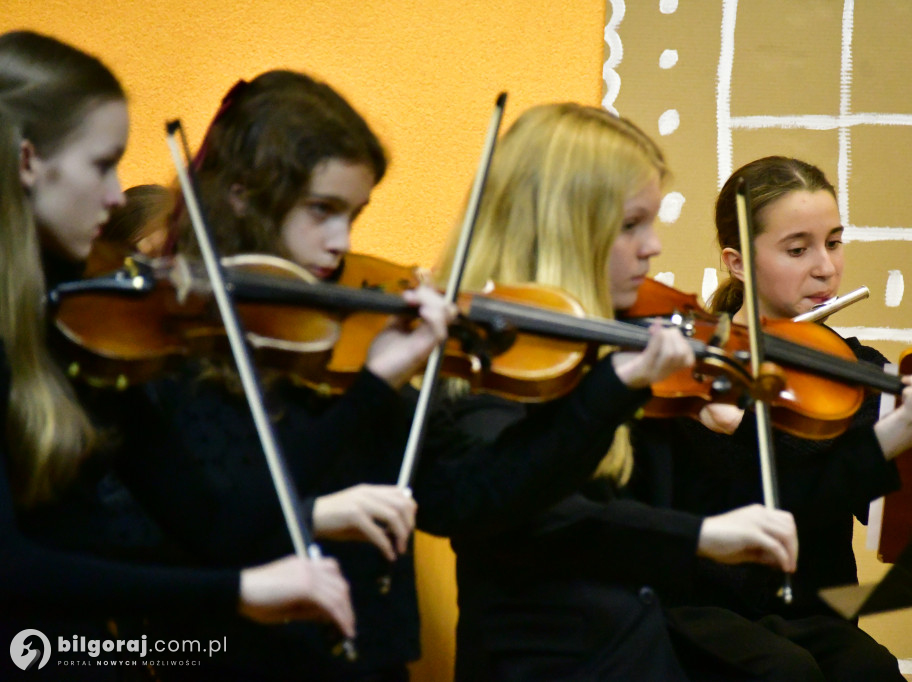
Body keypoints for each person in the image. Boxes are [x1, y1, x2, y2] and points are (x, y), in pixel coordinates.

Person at [136, 72, 703, 681]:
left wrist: (609, 389)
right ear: (241, 197)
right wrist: (370, 393)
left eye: (353, 215)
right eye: (321, 211)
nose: (341, 243)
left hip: (370, 659)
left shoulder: (347, 336)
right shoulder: (168, 346)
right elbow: (205, 524)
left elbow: (468, 499)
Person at [0, 30, 357, 679]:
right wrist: (239, 593)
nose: (116, 196)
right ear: (28, 161)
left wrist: (377, 388)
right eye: (102, 164)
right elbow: (14, 567)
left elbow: (214, 521)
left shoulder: (80, 325)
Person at [430, 103, 803, 681]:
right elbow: (537, 514)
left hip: (636, 652)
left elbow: (665, 503)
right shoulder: (482, 354)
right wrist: (701, 536)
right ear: (564, 225)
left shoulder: (614, 341)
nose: (653, 247)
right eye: (631, 225)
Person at [662, 155, 912, 681]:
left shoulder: (856, 370)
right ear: (736, 262)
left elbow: (879, 504)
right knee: (785, 671)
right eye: (798, 249)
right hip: (696, 609)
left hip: (808, 610)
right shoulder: (689, 370)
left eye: (834, 242)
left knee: (871, 670)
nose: (825, 267)